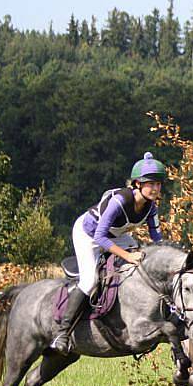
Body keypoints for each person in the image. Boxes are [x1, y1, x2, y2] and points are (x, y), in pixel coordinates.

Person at [50, 152, 166, 354]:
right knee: (90, 280)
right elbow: (100, 238)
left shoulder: (151, 207)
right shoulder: (119, 201)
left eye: (158, 184)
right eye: (151, 184)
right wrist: (128, 256)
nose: (156, 188)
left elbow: (158, 240)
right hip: (89, 234)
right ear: (137, 184)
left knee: (141, 262)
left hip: (116, 236)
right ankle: (63, 333)